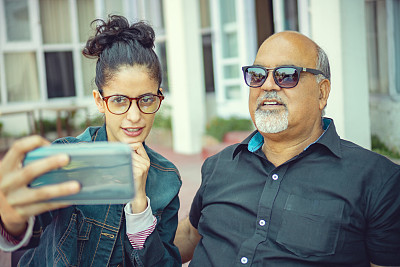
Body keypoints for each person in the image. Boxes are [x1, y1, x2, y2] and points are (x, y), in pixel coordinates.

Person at [174, 31, 400, 267]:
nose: (268, 85)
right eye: (257, 75)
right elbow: (190, 235)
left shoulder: (377, 180)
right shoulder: (220, 164)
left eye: (286, 75)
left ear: (321, 92)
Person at [0, 15, 182, 266]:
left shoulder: (168, 180)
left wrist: (140, 207)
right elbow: (27, 232)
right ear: (99, 101)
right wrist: (10, 218)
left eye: (146, 99)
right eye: (119, 100)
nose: (134, 116)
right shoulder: (66, 158)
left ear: (159, 98)